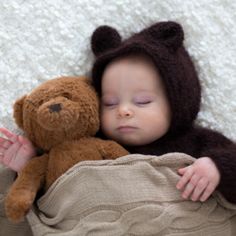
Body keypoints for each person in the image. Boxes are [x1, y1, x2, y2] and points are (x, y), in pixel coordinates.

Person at [1, 21, 236, 203]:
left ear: (178, 102)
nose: (123, 110)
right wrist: (28, 165)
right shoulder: (94, 146)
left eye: (142, 101)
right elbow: (63, 191)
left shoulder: (200, 142)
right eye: (110, 103)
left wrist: (217, 167)